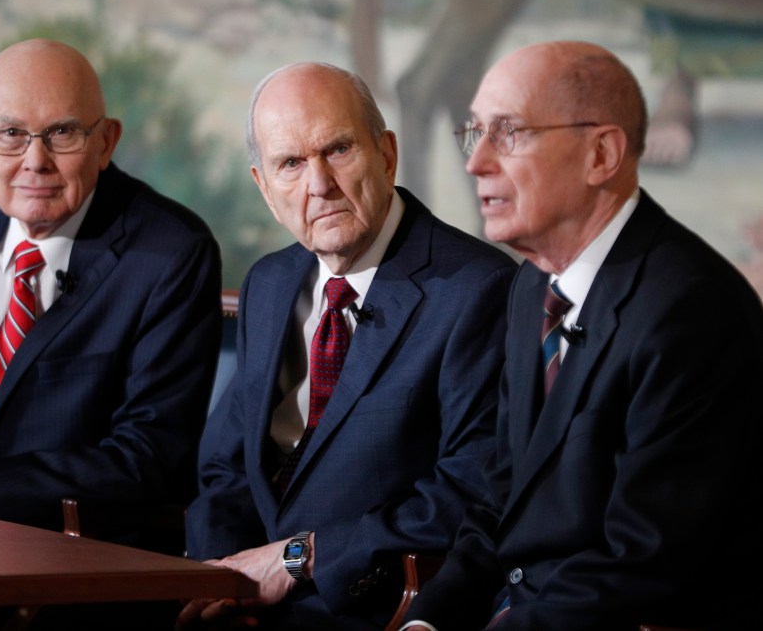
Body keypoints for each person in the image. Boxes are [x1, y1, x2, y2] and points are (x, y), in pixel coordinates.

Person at [403, 40, 763, 630]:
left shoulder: (693, 309)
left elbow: (639, 562)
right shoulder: (530, 288)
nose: (476, 163)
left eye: (509, 132)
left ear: (601, 153)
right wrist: (428, 621)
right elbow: (501, 500)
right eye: (474, 133)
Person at [178, 62, 516, 630]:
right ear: (264, 187)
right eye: (290, 163)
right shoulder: (270, 282)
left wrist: (295, 559)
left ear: (386, 153)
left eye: (337, 150)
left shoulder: (476, 289)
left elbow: (468, 494)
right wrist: (225, 579)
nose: (318, 184)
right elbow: (227, 467)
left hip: (369, 607)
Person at [0, 39, 222, 550]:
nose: (36, 160)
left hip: (85, 559)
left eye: (63, 133)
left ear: (106, 142)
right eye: (10, 134)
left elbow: (148, 456)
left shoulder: (171, 252)